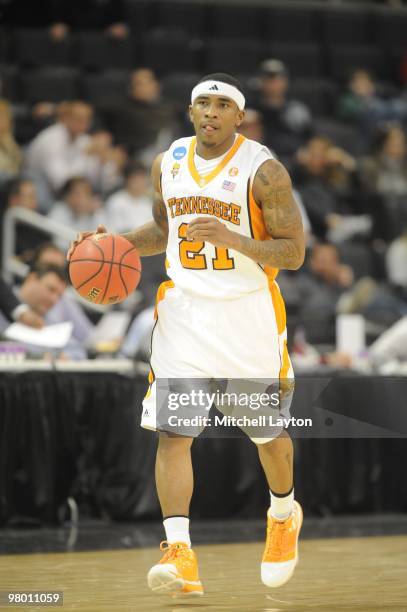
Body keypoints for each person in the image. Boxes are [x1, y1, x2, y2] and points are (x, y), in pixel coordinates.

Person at [69, 73, 305, 596]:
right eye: (204, 103)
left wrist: (235, 239)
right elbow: (164, 231)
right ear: (191, 111)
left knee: (266, 435)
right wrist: (115, 244)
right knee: (174, 434)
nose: (212, 112)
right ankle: (180, 553)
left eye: (223, 104)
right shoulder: (168, 162)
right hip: (185, 313)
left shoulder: (264, 172)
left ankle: (284, 512)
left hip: (247, 314)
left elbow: (293, 252)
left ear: (240, 117)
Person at [25, 101, 123, 198]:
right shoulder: (50, 139)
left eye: (87, 119)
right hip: (39, 188)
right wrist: (85, 156)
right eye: (79, 118)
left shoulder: (84, 140)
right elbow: (61, 183)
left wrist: (105, 164)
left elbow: (99, 184)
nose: (84, 123)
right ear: (64, 118)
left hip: (66, 194)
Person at [252, 59, 312, 161]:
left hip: (300, 158)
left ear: (286, 81)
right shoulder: (252, 109)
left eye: (278, 79)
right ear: (260, 81)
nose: (273, 84)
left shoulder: (297, 109)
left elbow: (310, 136)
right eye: (269, 79)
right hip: (266, 157)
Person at [48, 177, 107, 250]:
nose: (83, 198)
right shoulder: (58, 211)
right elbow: (60, 243)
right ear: (67, 195)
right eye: (78, 193)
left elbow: (105, 238)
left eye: (86, 193)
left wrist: (95, 213)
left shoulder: (94, 212)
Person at [106, 161, 153, 234]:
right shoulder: (116, 202)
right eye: (138, 179)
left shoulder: (148, 203)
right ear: (129, 180)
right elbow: (116, 230)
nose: (142, 183)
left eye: (144, 178)